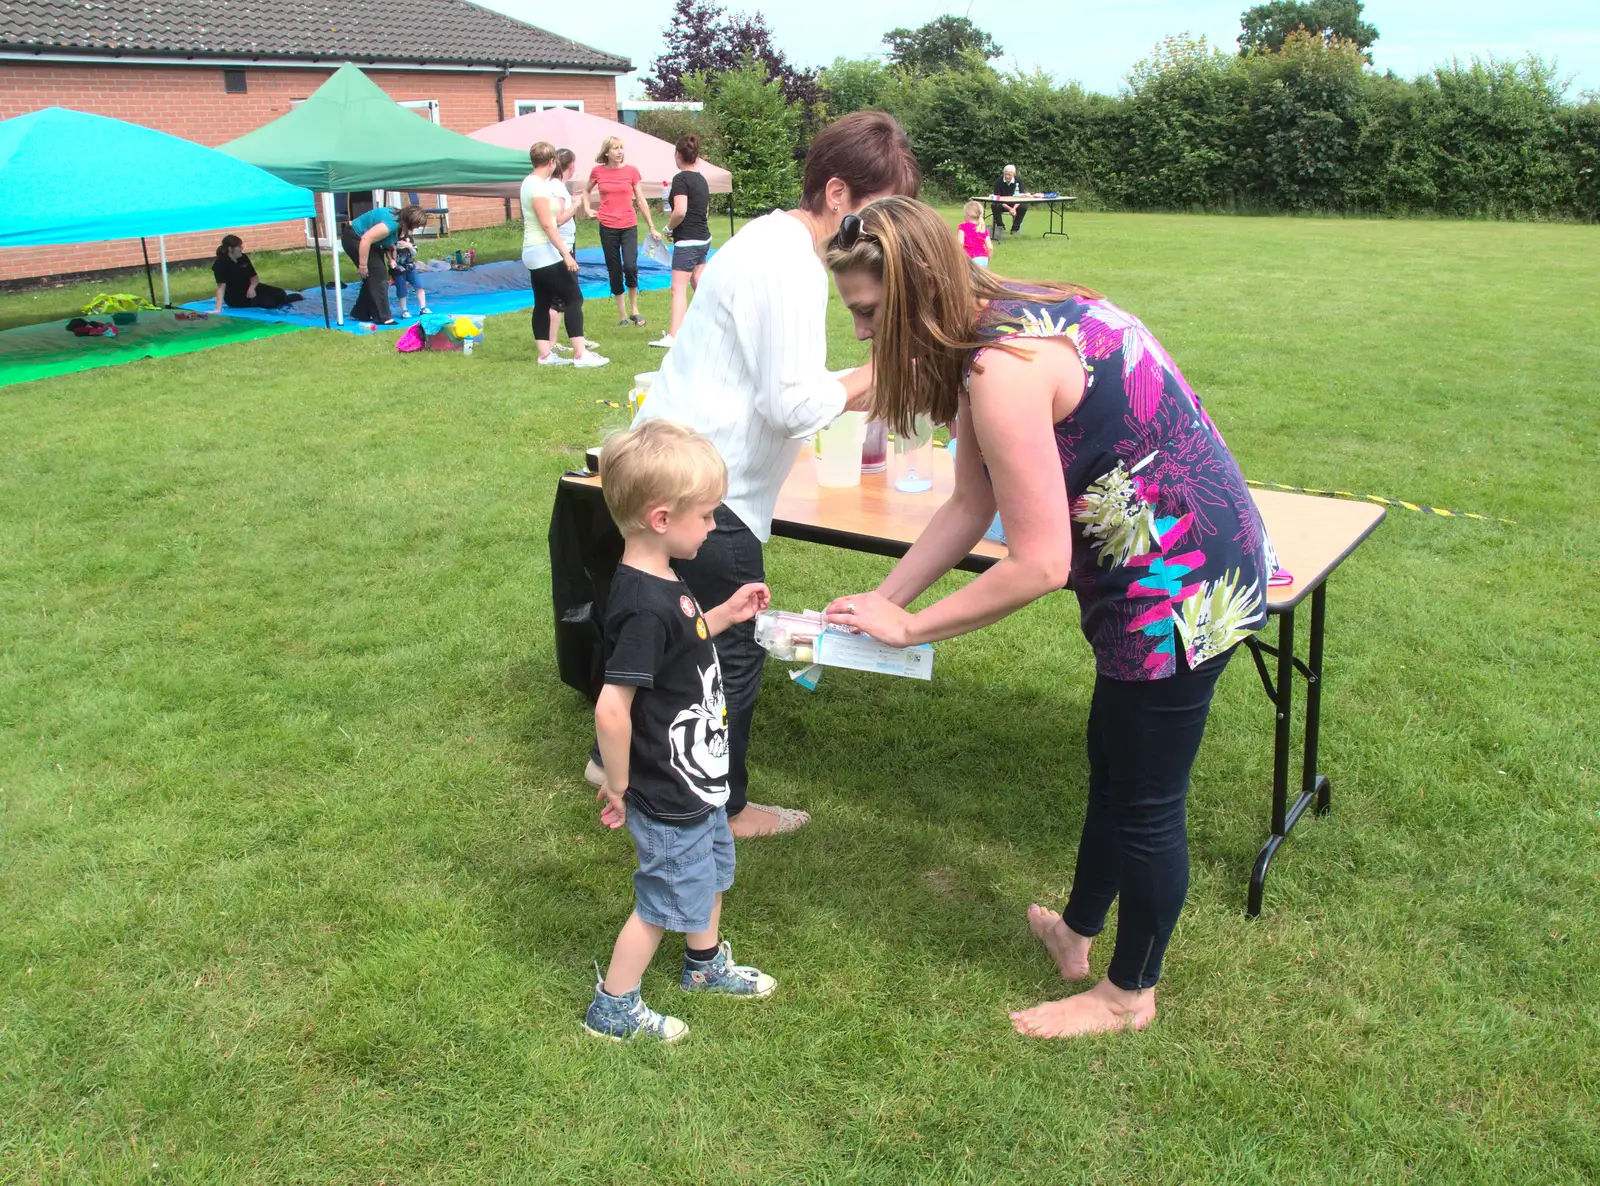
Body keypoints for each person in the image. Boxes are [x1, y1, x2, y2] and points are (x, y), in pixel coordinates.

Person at [822, 196, 1278, 1038]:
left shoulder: (1001, 369)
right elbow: (968, 504)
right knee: (1113, 760)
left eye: (869, 312)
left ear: (918, 287)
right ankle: (1075, 932)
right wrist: (885, 600)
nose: (859, 334)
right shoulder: (989, 328)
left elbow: (1038, 563)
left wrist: (912, 630)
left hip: (1182, 586)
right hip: (1161, 564)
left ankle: (1129, 994)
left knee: (1145, 799)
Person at [606, 110, 922, 840]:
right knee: (729, 659)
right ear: (838, 193)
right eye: (881, 207)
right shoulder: (789, 265)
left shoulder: (767, 244)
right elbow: (792, 407)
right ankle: (728, 807)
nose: (887, 229)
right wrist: (873, 373)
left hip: (675, 475)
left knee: (675, 639)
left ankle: (609, 757)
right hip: (708, 498)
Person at [585, 419, 779, 1043]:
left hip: (697, 777)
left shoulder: (667, 582)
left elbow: (685, 646)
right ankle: (613, 1008)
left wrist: (726, 612)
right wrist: (620, 784)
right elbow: (612, 707)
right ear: (662, 518)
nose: (715, 527)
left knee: (712, 871)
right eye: (706, 516)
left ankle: (703, 966)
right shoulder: (643, 604)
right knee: (662, 901)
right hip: (666, 788)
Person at [522, 141, 606, 368]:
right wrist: (566, 255)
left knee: (542, 301)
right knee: (573, 297)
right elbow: (549, 225)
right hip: (542, 251)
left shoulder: (530, 183)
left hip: (534, 251)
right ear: (551, 162)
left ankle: (545, 355)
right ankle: (580, 355)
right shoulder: (538, 187)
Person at [586, 135, 663, 329]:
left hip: (628, 225)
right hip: (607, 226)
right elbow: (585, 191)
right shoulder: (598, 172)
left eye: (621, 148)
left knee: (630, 266)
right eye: (615, 148)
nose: (620, 152)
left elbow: (641, 199)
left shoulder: (632, 172)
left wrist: (652, 226)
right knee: (614, 269)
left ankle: (634, 310)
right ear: (607, 152)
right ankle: (622, 315)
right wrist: (587, 209)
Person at [650, 133, 713, 350]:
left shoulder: (680, 179)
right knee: (698, 281)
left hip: (687, 241)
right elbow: (705, 210)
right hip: (704, 238)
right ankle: (713, 325)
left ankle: (674, 335)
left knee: (678, 288)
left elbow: (680, 211)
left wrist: (668, 228)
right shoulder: (702, 179)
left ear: (678, 155)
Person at [547, 148, 599, 357]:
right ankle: (557, 343)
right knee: (567, 297)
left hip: (563, 246)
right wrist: (576, 204)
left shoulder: (556, 187)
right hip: (562, 248)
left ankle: (566, 340)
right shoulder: (558, 188)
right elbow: (558, 219)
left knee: (565, 296)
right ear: (571, 166)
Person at [342, 204, 427, 324]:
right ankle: (383, 317)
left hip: (364, 239)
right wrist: (363, 266)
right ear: (410, 221)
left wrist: (389, 247)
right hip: (355, 238)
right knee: (379, 275)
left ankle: (361, 312)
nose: (416, 228)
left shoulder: (398, 217)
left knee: (373, 274)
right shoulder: (392, 223)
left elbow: (381, 237)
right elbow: (366, 239)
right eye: (416, 225)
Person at [210, 235, 303, 312]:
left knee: (280, 293)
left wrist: (252, 288)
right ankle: (282, 300)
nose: (241, 249)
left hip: (251, 289)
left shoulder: (243, 258)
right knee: (269, 302)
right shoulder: (220, 264)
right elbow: (221, 287)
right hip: (236, 297)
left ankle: (284, 299)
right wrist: (218, 309)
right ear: (230, 249)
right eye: (239, 246)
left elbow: (254, 277)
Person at [389, 231, 429, 319]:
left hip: (411, 267)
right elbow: (388, 251)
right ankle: (404, 310)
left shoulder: (409, 237)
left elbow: (414, 253)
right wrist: (392, 259)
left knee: (419, 286)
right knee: (401, 290)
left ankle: (423, 307)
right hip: (398, 269)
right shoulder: (391, 237)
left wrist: (409, 246)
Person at [991, 164, 1026, 239]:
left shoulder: (1018, 181)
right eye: (1005, 174)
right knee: (994, 205)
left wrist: (1013, 208)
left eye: (1009, 175)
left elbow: (1021, 197)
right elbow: (997, 198)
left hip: (1014, 204)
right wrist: (1010, 209)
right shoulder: (999, 181)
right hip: (1002, 204)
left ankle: (1015, 229)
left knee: (1024, 206)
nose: (1007, 176)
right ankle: (1000, 226)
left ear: (1014, 174)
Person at [957, 201, 992, 269]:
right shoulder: (982, 228)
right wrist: (987, 259)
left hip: (971, 258)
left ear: (968, 214)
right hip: (983, 259)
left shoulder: (963, 227)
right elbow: (990, 247)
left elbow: (960, 243)